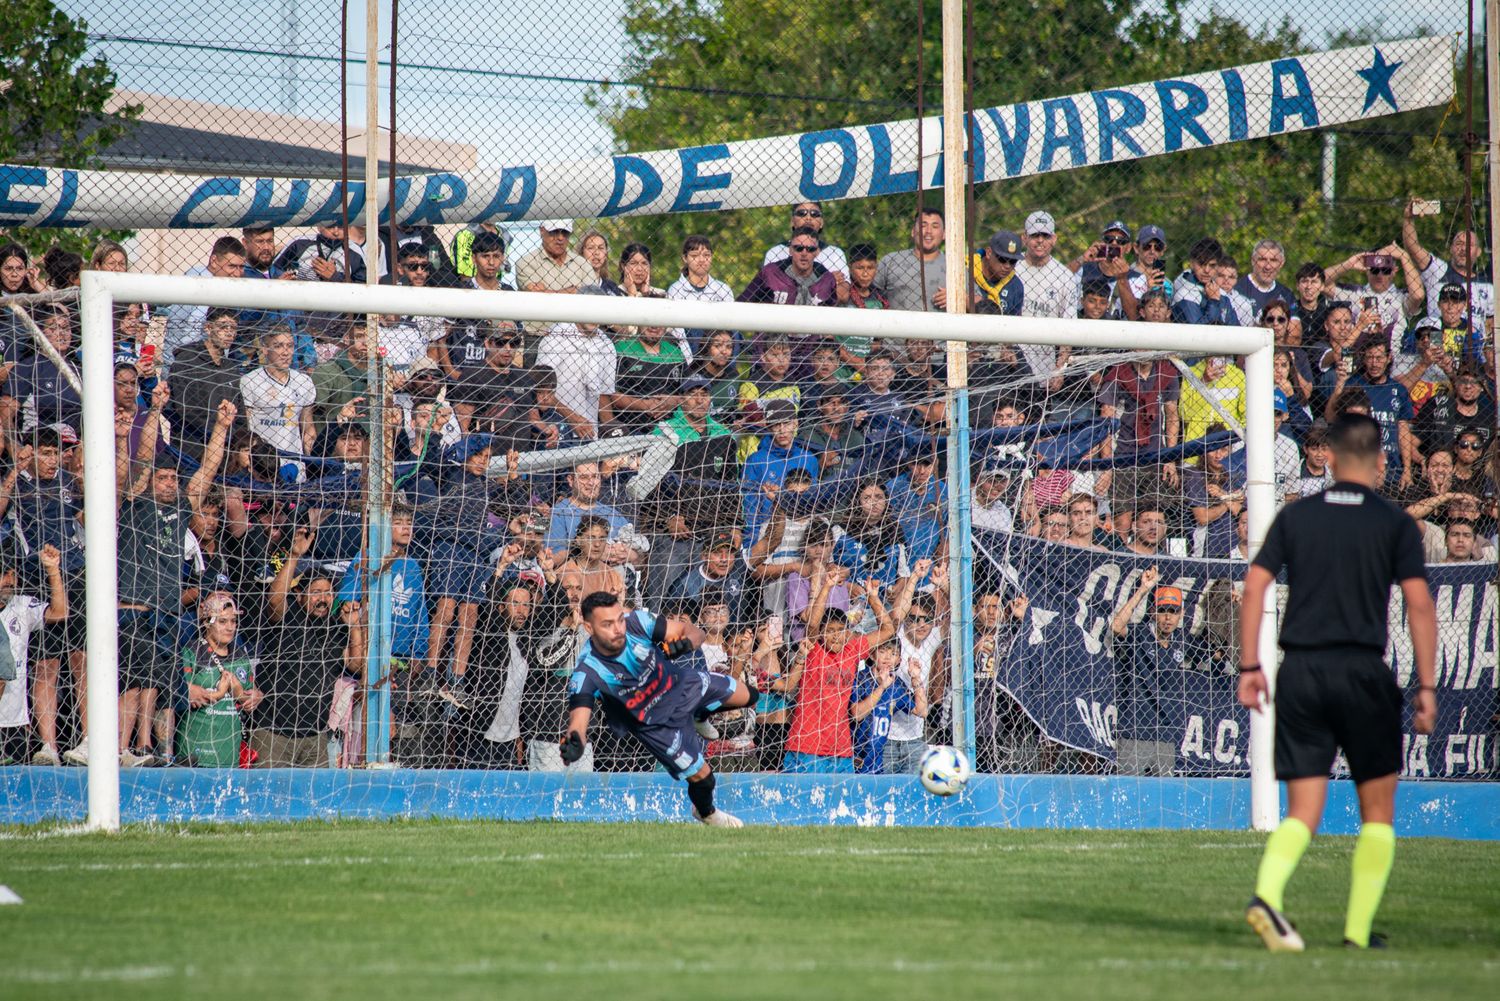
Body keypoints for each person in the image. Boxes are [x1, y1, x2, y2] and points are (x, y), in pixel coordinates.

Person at [1238, 413, 1437, 952]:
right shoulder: (1393, 522)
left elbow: (1254, 588)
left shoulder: (1297, 516)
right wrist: (1426, 686)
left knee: (1303, 810)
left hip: (1300, 671)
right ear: (1379, 461)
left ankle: (1267, 895)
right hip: (1362, 672)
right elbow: (1419, 603)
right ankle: (1355, 931)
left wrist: (1250, 669)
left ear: (1329, 456)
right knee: (1377, 813)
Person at [560, 591, 758, 827]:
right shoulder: (587, 672)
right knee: (704, 778)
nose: (618, 629)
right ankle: (706, 813)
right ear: (589, 628)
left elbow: (695, 632)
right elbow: (578, 724)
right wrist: (575, 743)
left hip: (683, 685)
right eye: (607, 624)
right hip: (658, 726)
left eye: (619, 620)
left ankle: (698, 713)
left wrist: (685, 645)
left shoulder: (636, 622)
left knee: (750, 696)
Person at [1109, 568, 1213, 775]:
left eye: (1173, 611)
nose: (1168, 617)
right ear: (1153, 612)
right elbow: (1116, 626)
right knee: (1129, 791)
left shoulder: (1183, 639)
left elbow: (1219, 652)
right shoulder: (1139, 634)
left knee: (1164, 796)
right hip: (1135, 730)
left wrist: (1238, 609)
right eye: (1163, 610)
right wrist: (1142, 590)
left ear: (1182, 613)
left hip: (1166, 733)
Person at [178, 591, 262, 767]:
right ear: (207, 622)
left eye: (233, 621)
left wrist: (254, 695)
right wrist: (221, 692)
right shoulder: (191, 651)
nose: (230, 627)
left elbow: (248, 696)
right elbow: (188, 694)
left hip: (228, 755)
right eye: (222, 621)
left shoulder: (240, 655)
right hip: (196, 753)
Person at [875, 208, 947, 312]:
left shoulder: (954, 266)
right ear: (913, 231)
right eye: (923, 225)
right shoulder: (890, 261)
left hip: (939, 327)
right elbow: (867, 293)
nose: (928, 231)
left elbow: (977, 299)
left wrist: (957, 298)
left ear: (944, 234)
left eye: (935, 226)